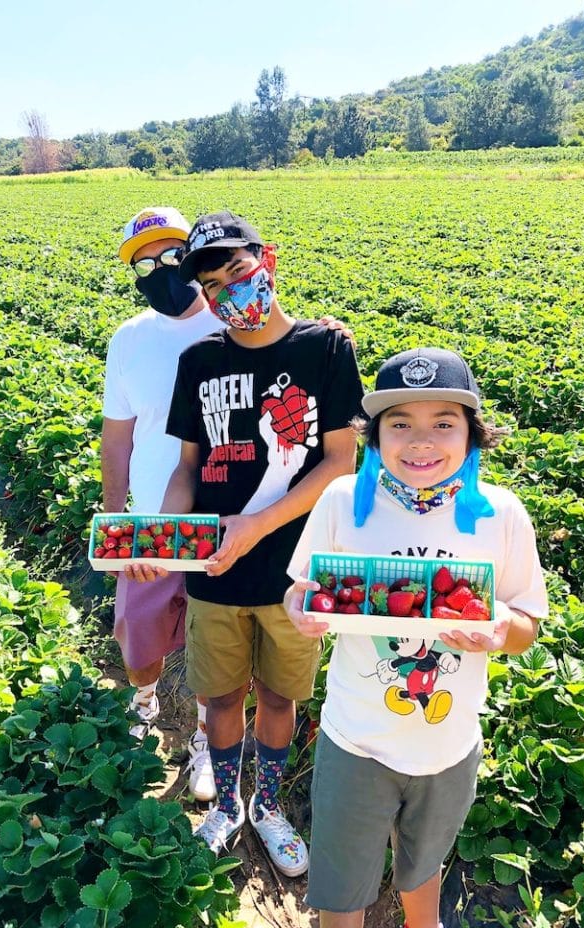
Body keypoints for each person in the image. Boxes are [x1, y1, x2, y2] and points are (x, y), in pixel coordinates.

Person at [284, 347, 548, 928]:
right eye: (400, 422)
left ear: (472, 433)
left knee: (424, 857)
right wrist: (302, 609)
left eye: (443, 423)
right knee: (343, 875)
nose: (421, 441)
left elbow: (525, 623)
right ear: (376, 435)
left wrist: (497, 631)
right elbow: (303, 589)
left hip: (448, 741)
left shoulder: (501, 514)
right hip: (356, 736)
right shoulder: (347, 501)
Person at [140, 211, 365, 875]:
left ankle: (267, 805)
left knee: (278, 697)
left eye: (236, 270)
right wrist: (163, 535)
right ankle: (227, 807)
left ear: (266, 258)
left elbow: (338, 463)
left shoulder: (323, 350)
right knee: (219, 699)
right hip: (214, 573)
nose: (228, 291)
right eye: (212, 284)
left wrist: (253, 528)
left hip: (295, 575)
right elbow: (187, 470)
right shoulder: (200, 361)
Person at [102, 206, 220, 800]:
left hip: (227, 524)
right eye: (143, 263)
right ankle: (143, 701)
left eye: (172, 255)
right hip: (150, 521)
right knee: (140, 637)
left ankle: (205, 739)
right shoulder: (129, 340)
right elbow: (117, 437)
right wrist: (114, 518)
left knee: (212, 643)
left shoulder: (233, 326)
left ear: (195, 255)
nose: (160, 270)